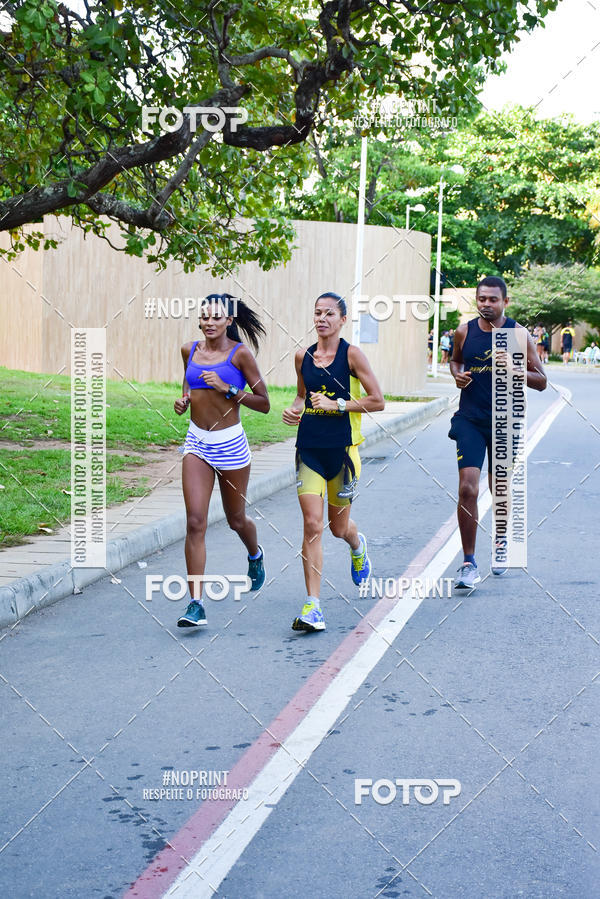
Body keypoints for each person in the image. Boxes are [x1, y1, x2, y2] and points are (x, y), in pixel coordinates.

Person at [282, 292, 385, 632]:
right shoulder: (303, 356)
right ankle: (313, 606)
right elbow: (301, 395)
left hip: (343, 451)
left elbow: (377, 400)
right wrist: (295, 409)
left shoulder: (352, 355)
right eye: (317, 313)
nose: (322, 318)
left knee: (339, 528)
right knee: (312, 524)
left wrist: (338, 404)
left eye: (329, 313)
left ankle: (358, 545)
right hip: (308, 448)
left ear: (343, 320)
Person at [174, 294, 269, 627]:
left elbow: (264, 403)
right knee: (195, 522)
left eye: (217, 317)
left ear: (229, 320)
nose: (209, 322)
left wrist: (229, 389)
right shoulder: (189, 350)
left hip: (231, 446)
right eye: (204, 317)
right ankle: (195, 604)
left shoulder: (240, 355)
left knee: (236, 519)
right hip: (197, 442)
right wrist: (185, 399)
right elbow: (188, 381)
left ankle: (255, 555)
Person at [449, 276, 547, 589]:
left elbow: (542, 380)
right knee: (468, 488)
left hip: (505, 418)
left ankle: (501, 541)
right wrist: (457, 375)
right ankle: (468, 562)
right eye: (482, 299)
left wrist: (516, 369)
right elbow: (454, 361)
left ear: (505, 301)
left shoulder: (519, 334)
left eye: (493, 300)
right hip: (470, 419)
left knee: (499, 486)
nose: (486, 305)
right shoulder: (465, 331)